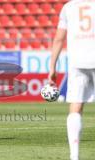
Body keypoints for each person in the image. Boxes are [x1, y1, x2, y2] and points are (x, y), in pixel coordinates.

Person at [48, 1, 95, 160]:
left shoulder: (69, 7)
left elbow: (58, 39)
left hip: (77, 61)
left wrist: (52, 68)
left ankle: (74, 156)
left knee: (76, 107)